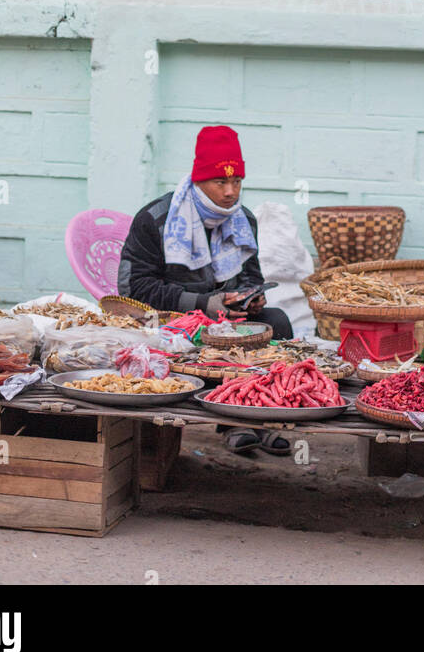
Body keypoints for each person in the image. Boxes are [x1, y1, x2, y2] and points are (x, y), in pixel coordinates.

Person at [118, 125, 293, 455]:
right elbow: (133, 289)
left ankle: (257, 417)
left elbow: (250, 276)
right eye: (221, 182)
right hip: (172, 319)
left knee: (277, 322)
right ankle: (219, 418)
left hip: (226, 321)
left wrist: (250, 299)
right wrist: (203, 303)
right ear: (198, 180)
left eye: (237, 181)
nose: (231, 192)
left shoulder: (244, 221)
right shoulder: (155, 219)